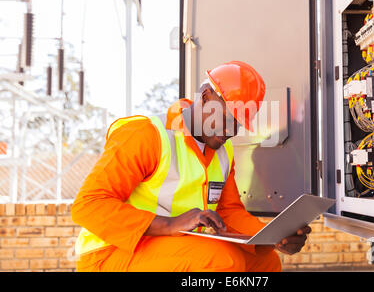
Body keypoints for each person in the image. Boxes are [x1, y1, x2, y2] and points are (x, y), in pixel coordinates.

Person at [71, 61, 311, 272]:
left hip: (169, 248)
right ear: (206, 98)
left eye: (238, 124)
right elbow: (88, 205)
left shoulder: (224, 151)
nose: (230, 132)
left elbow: (228, 213)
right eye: (227, 119)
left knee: (266, 263)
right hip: (109, 254)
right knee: (220, 262)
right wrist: (170, 224)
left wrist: (271, 237)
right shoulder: (147, 135)